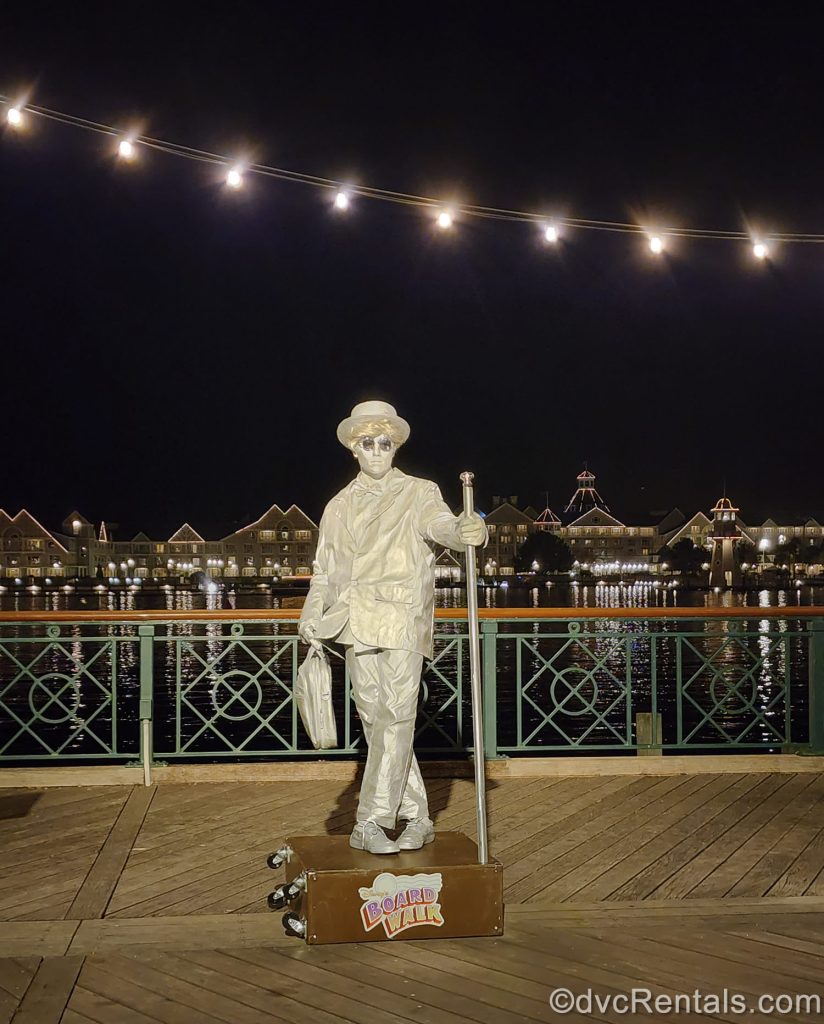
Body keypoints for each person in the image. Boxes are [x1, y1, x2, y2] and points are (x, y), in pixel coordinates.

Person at [298, 400, 486, 854]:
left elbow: (440, 523)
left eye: (386, 442)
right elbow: (324, 570)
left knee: (397, 716)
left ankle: (370, 820)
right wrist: (311, 610)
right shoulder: (337, 506)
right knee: (376, 722)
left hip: (402, 618)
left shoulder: (419, 492)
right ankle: (417, 815)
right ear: (354, 449)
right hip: (355, 622)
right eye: (369, 443)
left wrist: (465, 529)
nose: (378, 450)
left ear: (396, 446)